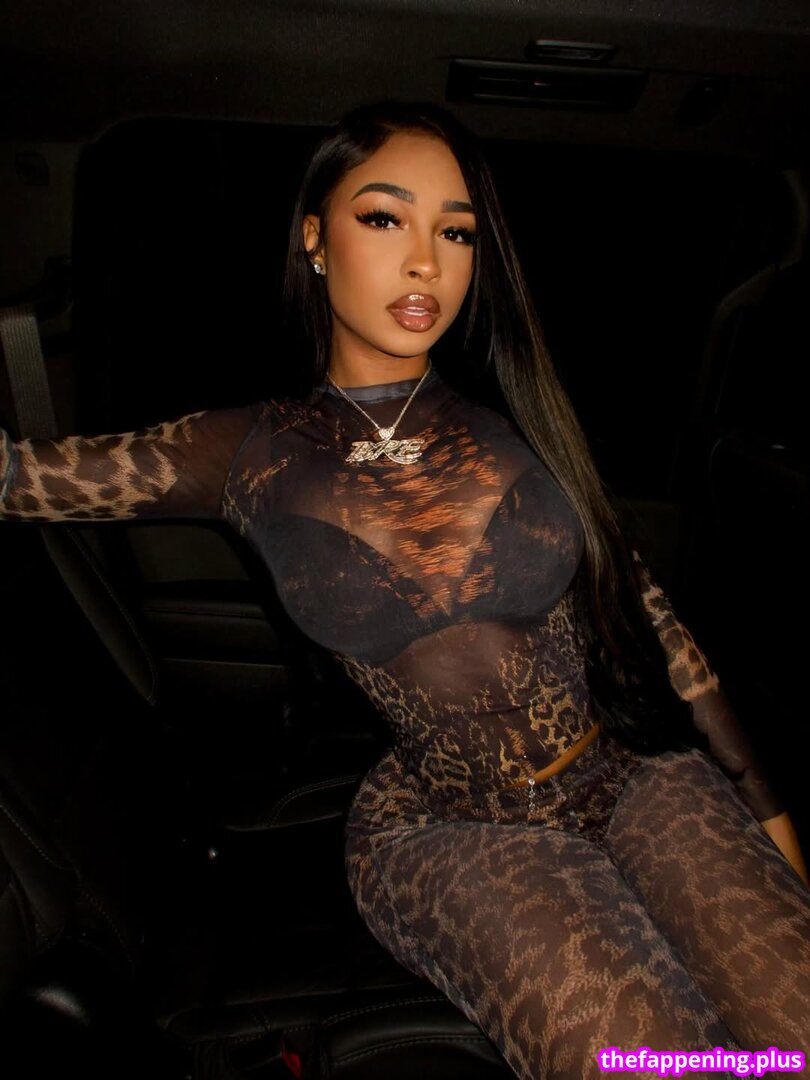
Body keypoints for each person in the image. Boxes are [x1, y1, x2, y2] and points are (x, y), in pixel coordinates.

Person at [1, 100, 808, 1080]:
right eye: (384, 218)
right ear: (315, 238)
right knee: (647, 1063)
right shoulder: (246, 449)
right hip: (449, 823)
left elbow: (656, 622)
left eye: (456, 232)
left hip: (637, 768)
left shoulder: (519, 410)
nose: (425, 261)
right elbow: (19, 478)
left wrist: (766, 815)